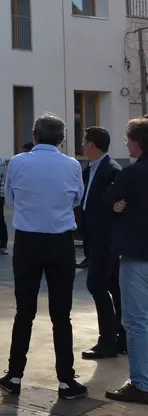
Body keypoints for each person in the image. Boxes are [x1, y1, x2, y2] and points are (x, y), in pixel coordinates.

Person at [0, 113, 86, 400]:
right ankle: (66, 380)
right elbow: (76, 199)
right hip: (61, 242)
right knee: (62, 314)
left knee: (24, 311)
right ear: (62, 139)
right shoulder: (72, 165)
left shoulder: (18, 162)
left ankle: (14, 375)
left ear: (34, 136)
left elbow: (10, 199)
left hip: (27, 241)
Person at [103, 118, 148, 403]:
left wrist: (117, 205)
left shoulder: (132, 173)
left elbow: (107, 200)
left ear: (138, 143)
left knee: (136, 321)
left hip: (138, 255)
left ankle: (141, 383)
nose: (126, 145)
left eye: (128, 140)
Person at [80, 126, 124, 359]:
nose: (81, 145)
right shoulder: (90, 168)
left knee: (97, 285)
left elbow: (118, 205)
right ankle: (121, 337)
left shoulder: (111, 170)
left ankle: (108, 340)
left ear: (91, 145)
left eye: (83, 141)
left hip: (106, 238)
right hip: (93, 235)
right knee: (113, 286)